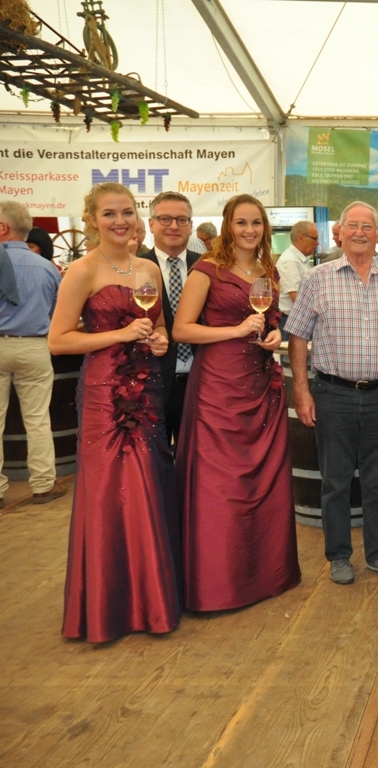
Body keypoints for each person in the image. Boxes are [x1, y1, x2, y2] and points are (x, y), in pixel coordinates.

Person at [48, 182, 180, 643]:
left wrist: (159, 339)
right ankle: (110, 609)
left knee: (148, 482)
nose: (120, 221)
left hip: (147, 392)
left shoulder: (147, 268)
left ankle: (152, 599)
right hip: (105, 395)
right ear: (92, 219)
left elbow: (158, 326)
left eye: (126, 212)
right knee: (109, 490)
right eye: (109, 214)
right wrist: (119, 336)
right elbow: (58, 340)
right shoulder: (82, 271)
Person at [171, 194, 300, 612]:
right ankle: (217, 584)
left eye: (256, 223)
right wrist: (234, 331)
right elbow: (181, 330)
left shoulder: (268, 271)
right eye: (241, 222)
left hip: (260, 386)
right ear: (228, 226)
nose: (249, 230)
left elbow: (271, 320)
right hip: (217, 388)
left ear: (265, 228)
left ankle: (263, 575)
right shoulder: (206, 270)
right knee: (221, 485)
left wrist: (274, 334)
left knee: (261, 482)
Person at [286, 201, 378, 586]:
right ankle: (339, 555)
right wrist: (301, 390)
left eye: (367, 226)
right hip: (334, 394)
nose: (360, 232)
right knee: (336, 481)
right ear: (340, 233)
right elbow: (298, 337)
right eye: (352, 226)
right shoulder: (317, 279)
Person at [0, 201, 65, 508]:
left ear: (3, 228)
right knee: (38, 419)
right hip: (36, 345)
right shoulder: (48, 268)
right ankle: (43, 485)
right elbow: (58, 314)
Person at [142, 191, 201, 444]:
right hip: (151, 384)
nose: (174, 226)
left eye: (182, 220)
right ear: (151, 224)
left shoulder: (208, 267)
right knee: (154, 457)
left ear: (191, 226)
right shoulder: (136, 268)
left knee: (198, 458)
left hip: (201, 382)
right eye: (165, 219)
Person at [276, 219, 319, 328]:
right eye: (315, 238)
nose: (317, 243)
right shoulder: (290, 261)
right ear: (301, 238)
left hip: (295, 319)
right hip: (289, 321)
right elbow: (297, 298)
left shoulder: (300, 259)